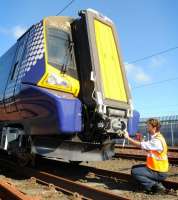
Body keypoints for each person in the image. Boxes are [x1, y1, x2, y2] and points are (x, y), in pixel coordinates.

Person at [124, 118, 169, 194]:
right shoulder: (157, 138)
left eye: (148, 126)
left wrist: (128, 138)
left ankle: (155, 186)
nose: (146, 127)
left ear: (154, 128)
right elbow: (148, 149)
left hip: (159, 172)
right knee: (134, 168)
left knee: (135, 172)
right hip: (156, 168)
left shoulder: (157, 140)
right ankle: (151, 183)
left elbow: (141, 145)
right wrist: (141, 141)